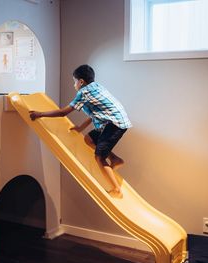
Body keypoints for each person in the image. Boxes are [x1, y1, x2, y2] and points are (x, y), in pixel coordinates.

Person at [30, 65, 132, 198]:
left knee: (99, 157)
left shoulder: (83, 93)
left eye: (74, 81)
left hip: (113, 124)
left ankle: (116, 189)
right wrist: (80, 128)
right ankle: (115, 159)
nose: (74, 85)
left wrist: (40, 114)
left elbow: (63, 112)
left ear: (81, 81)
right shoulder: (97, 87)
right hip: (116, 122)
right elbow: (95, 113)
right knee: (88, 139)